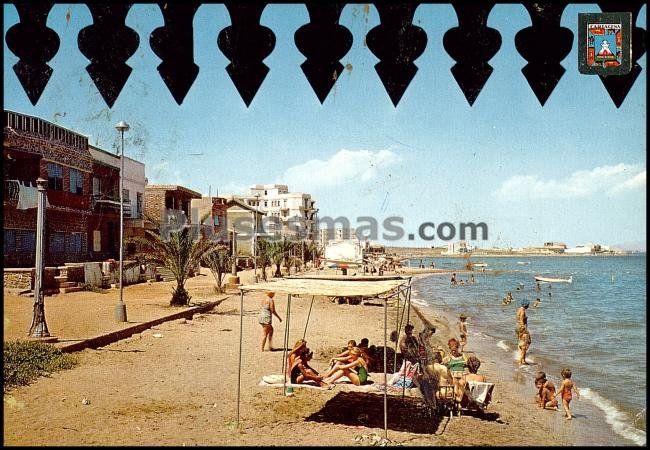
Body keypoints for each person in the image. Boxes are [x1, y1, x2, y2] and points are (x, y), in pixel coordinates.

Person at [443, 338, 467, 402]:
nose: (453, 351)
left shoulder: (462, 355)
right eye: (452, 349)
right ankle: (456, 397)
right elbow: (442, 364)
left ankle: (458, 397)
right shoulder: (448, 357)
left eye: (455, 349)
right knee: (455, 381)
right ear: (450, 348)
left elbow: (467, 363)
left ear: (457, 348)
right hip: (452, 376)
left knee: (462, 382)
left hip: (462, 375)